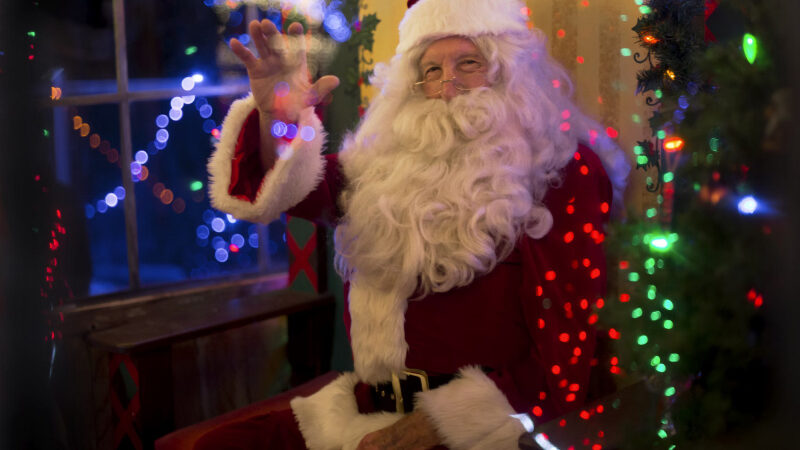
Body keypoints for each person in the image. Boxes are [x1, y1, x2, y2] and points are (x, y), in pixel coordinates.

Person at [201, 0, 630, 448]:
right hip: (367, 410)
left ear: (509, 74)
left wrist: (441, 425)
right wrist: (277, 117)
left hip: (487, 429)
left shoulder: (561, 168)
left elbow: (567, 346)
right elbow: (280, 189)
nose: (448, 84)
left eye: (468, 63)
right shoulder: (382, 165)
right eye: (431, 69)